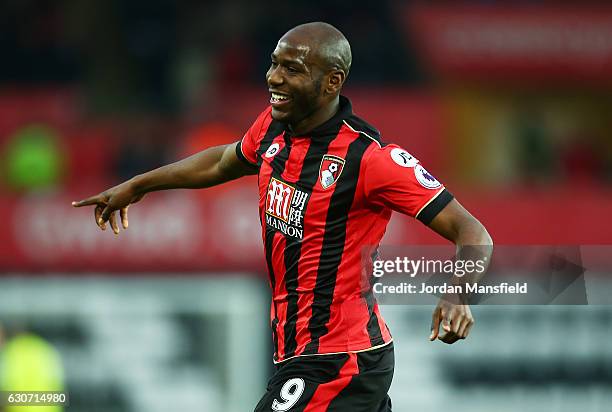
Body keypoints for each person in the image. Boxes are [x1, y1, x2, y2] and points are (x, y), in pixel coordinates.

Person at [73, 22, 492, 411]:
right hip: (304, 353)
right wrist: (140, 184)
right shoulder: (275, 127)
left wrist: (458, 294)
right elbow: (223, 162)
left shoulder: (370, 160)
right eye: (274, 63)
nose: (273, 78)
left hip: (338, 360)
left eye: (291, 69)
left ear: (332, 82)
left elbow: (472, 232)